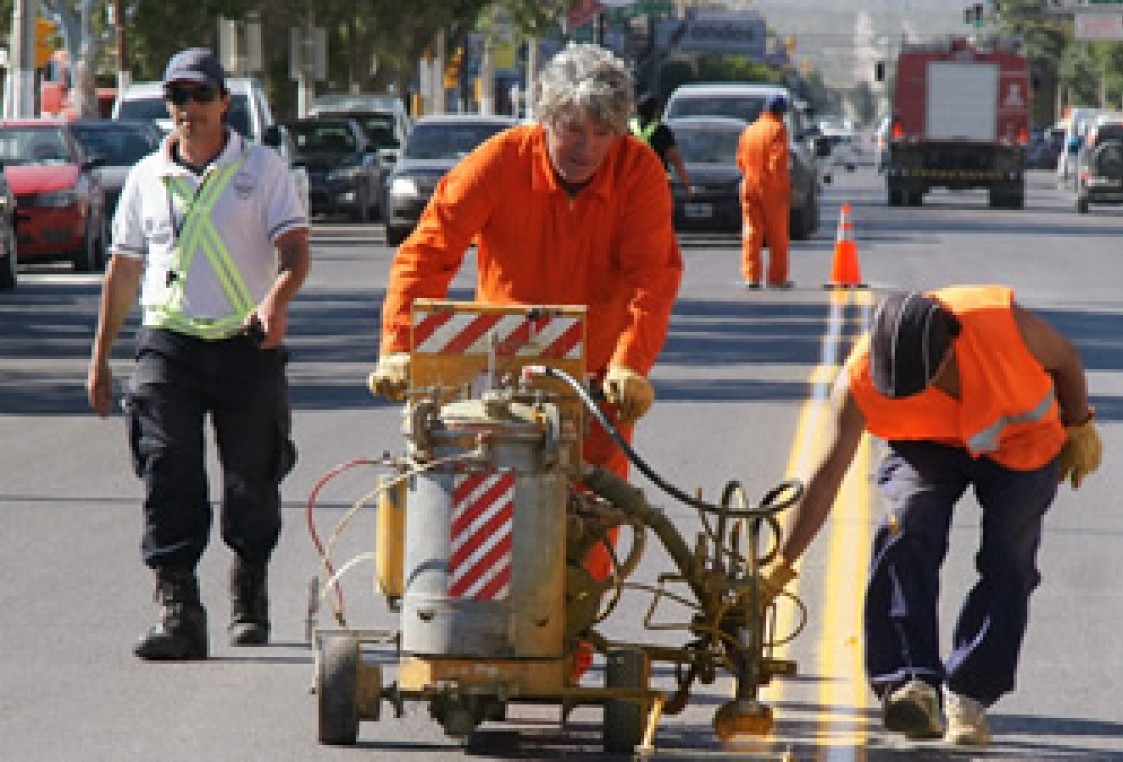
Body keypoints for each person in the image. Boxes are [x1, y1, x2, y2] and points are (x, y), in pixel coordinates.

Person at [367, 42, 682, 677]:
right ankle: (469, 629)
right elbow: (426, 253)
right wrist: (400, 349)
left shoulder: (639, 172)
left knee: (592, 515)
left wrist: (629, 367)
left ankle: (568, 642)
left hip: (594, 385)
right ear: (545, 121)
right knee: (481, 499)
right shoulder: (499, 162)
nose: (585, 146)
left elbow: (653, 276)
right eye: (572, 129)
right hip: (497, 380)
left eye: (600, 133)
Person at [761, 286, 1102, 746]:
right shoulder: (861, 378)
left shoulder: (1000, 323)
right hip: (927, 446)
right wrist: (780, 564)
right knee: (906, 525)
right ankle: (911, 686)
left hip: (1022, 444)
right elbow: (824, 478)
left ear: (948, 353)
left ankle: (970, 695)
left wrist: (1078, 425)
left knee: (1010, 559)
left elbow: (1067, 358)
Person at [86, 48, 311, 660]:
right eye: (177, 98)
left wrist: (277, 300)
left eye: (198, 96)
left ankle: (250, 586)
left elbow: (294, 250)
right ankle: (178, 609)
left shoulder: (262, 169)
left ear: (223, 103)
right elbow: (124, 271)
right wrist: (100, 357)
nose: (188, 109)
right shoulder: (144, 177)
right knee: (166, 469)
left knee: (253, 482)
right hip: (169, 345)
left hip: (246, 343)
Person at [736, 93, 792, 290]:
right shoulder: (778, 129)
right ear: (781, 112)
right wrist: (782, 188)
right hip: (771, 188)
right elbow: (776, 162)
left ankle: (752, 276)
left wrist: (750, 176)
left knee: (751, 231)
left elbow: (740, 161)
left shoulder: (749, 130)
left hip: (748, 184)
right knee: (777, 234)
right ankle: (777, 277)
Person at [629, 93, 692, 197]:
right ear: (656, 111)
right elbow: (675, 158)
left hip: (632, 184)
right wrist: (686, 183)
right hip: (657, 183)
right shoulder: (662, 130)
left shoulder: (628, 129)